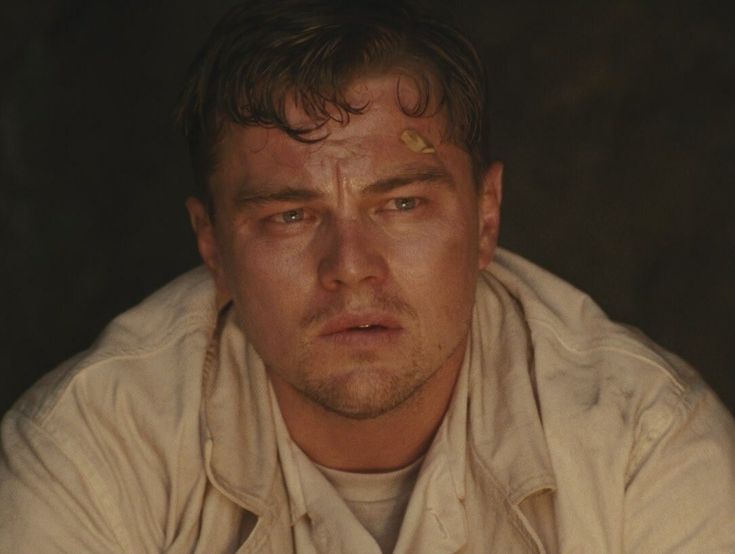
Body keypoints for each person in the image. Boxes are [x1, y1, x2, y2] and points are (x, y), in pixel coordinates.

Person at [2, 1, 734, 551]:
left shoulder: (645, 442)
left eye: (403, 203)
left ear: (485, 218)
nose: (350, 268)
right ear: (213, 245)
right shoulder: (87, 449)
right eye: (290, 215)